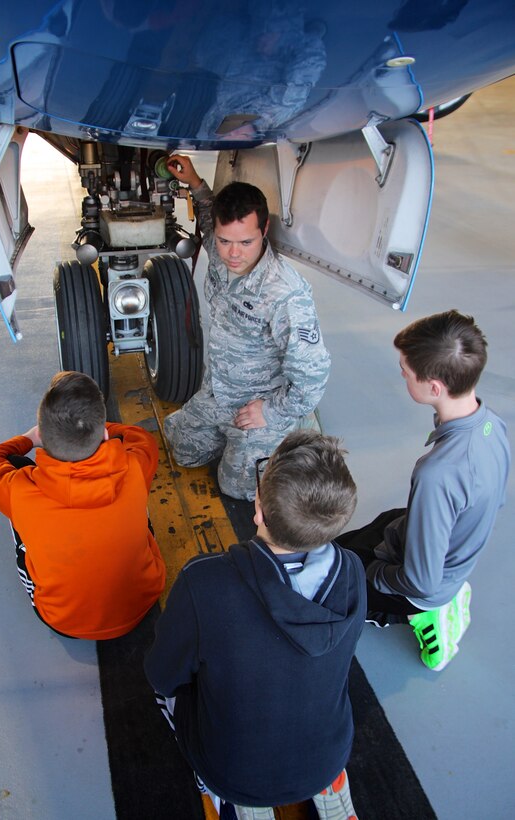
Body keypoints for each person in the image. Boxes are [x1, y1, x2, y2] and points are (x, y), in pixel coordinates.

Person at [144, 430, 365, 820]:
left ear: (259, 509)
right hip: (328, 759)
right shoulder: (352, 571)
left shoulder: (204, 582)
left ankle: (218, 794)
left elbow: (162, 675)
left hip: (233, 775)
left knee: (168, 693)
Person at [336, 310, 510, 671]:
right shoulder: (492, 425)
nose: (401, 373)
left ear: (434, 387)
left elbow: (420, 581)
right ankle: (449, 588)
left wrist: (375, 575)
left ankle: (427, 615)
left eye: (406, 370)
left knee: (330, 586)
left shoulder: (438, 473)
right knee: (353, 542)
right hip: (443, 551)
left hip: (424, 587)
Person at [162, 154, 331, 500]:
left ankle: (297, 428)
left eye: (245, 242)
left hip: (259, 401)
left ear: (264, 231)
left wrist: (269, 411)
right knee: (183, 451)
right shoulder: (218, 247)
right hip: (220, 391)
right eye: (225, 241)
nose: (233, 254)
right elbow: (208, 214)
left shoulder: (285, 294)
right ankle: (236, 441)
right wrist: (194, 182)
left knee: (238, 489)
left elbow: (313, 377)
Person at [0, 371, 166, 640]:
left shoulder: (21, 490)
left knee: (16, 478)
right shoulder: (136, 464)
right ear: (104, 434)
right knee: (138, 502)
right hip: (142, 604)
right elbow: (138, 436)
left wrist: (28, 439)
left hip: (65, 621)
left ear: (43, 436)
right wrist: (94, 425)